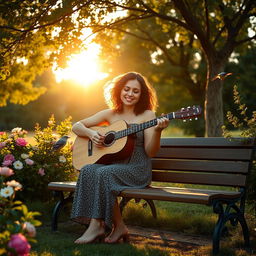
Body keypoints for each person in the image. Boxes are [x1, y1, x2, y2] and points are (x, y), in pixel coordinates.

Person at [71, 71, 169, 244]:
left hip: (137, 168)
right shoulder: (110, 114)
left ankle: (97, 226)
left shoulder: (148, 116)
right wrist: (91, 133)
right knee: (88, 169)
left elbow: (151, 152)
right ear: (119, 90)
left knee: (104, 174)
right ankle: (118, 226)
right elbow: (77, 126)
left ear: (142, 94)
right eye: (127, 89)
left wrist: (158, 131)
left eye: (135, 91)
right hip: (114, 166)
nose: (130, 94)